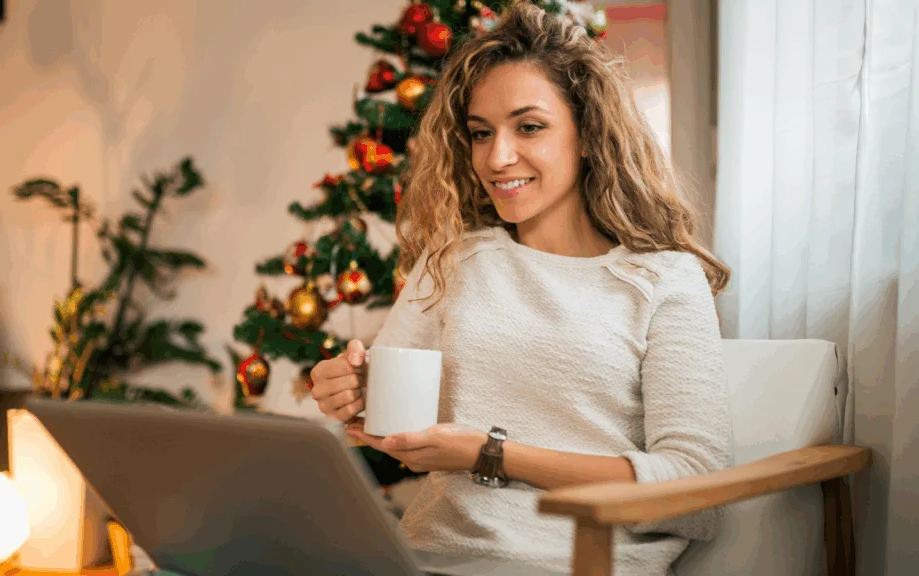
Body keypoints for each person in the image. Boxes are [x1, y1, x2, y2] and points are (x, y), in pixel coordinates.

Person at [309, 3, 733, 575]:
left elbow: (695, 490)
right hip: (423, 557)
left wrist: (492, 454)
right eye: (481, 134)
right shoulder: (454, 261)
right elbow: (389, 421)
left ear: (587, 135)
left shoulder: (662, 279)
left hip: (572, 564)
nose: (496, 157)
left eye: (529, 126)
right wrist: (351, 389)